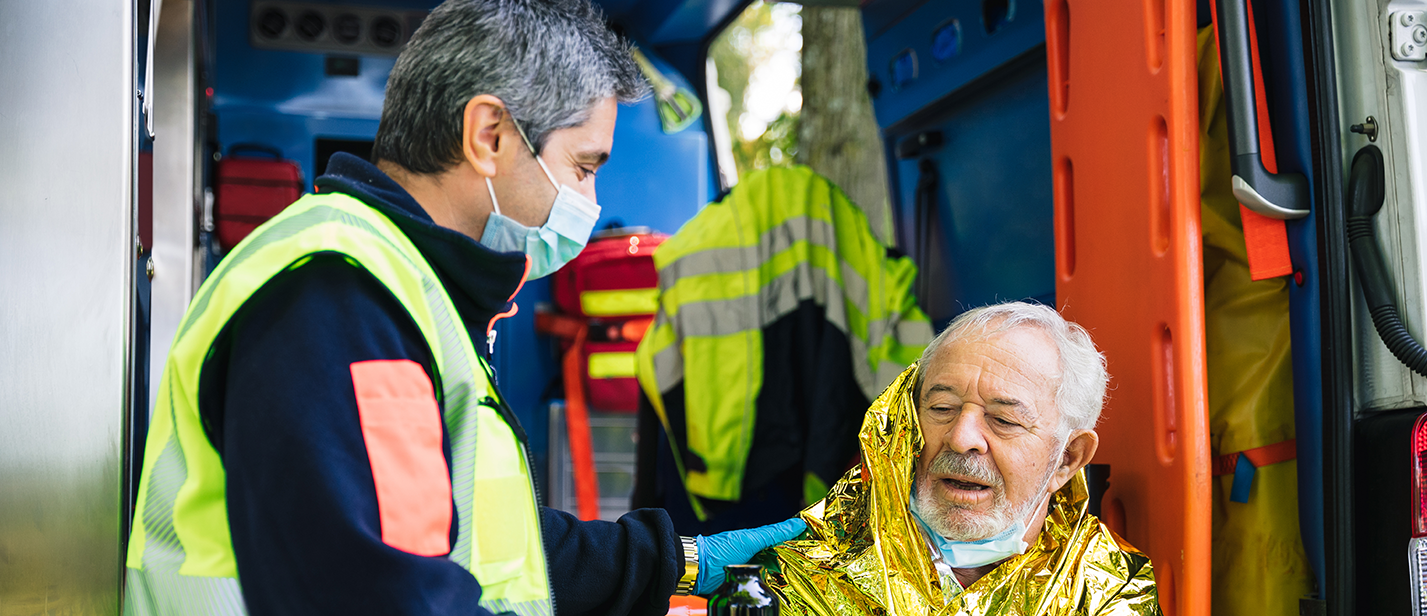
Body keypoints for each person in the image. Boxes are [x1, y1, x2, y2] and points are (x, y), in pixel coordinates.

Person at [122, 1, 803, 614]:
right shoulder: (340, 292)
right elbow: (380, 594)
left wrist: (685, 563)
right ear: (489, 135)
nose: (590, 204)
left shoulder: (404, 286)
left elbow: (475, 536)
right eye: (583, 167)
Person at [759, 301, 1160, 615]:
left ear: (1067, 460)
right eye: (941, 409)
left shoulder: (1108, 592)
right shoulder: (821, 558)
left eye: (1003, 419)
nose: (961, 438)